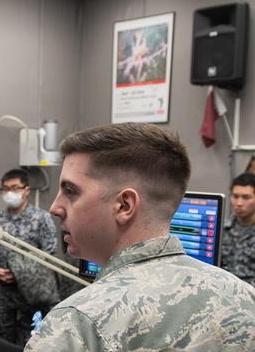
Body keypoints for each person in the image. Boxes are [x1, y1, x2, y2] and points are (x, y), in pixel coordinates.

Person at [25, 122, 255, 351]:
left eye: (71, 192)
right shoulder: (245, 296)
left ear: (124, 206)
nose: (54, 208)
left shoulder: (76, 324)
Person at [0, 169, 58, 346]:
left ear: (27, 190)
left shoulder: (41, 218)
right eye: (6, 188)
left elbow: (49, 254)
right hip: (1, 292)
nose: (10, 193)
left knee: (31, 342)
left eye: (15, 188)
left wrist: (20, 273)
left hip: (31, 295)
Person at [221, 172, 255, 287]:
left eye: (246, 197)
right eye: (235, 197)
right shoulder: (223, 230)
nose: (239, 203)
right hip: (224, 292)